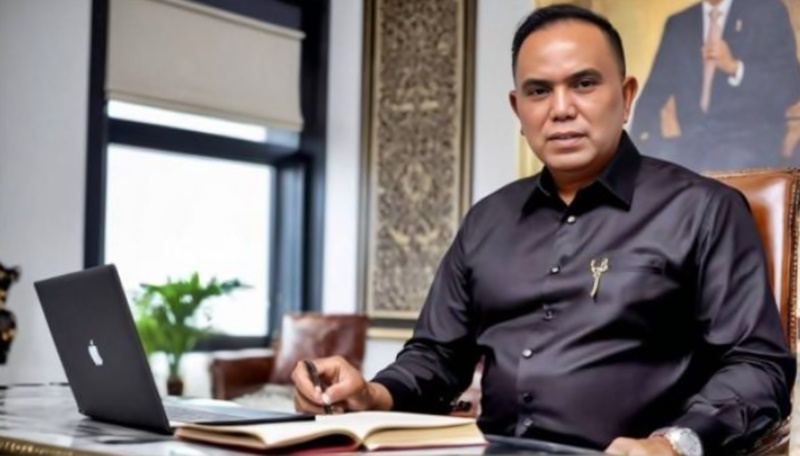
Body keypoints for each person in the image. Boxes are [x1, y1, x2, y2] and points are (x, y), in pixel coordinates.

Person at [292, 5, 795, 455]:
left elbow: (757, 366)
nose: (561, 109)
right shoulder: (487, 220)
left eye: (584, 84)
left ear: (626, 97)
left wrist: (673, 445)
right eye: (539, 91)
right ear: (519, 109)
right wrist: (370, 393)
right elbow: (437, 355)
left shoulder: (703, 210)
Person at [630, 0, 800, 170]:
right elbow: (654, 92)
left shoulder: (766, 12)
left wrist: (735, 68)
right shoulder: (679, 24)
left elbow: (789, 86)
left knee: (721, 166)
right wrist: (631, 143)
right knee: (656, 164)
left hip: (747, 142)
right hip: (690, 143)